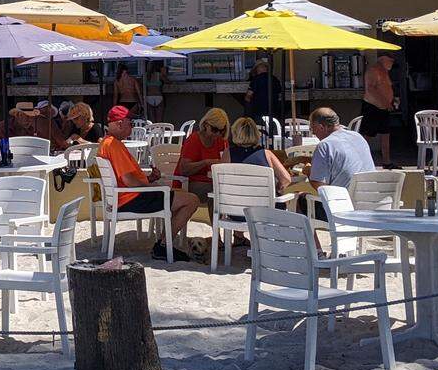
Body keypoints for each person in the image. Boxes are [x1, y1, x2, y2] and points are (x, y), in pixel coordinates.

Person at [97, 105, 199, 261]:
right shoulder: (114, 145)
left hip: (126, 197)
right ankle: (164, 246)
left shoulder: (107, 143)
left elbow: (126, 179)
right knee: (192, 200)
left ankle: (163, 244)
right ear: (120, 123)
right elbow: (129, 181)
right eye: (130, 123)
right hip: (132, 199)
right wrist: (153, 187)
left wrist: (150, 179)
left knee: (182, 196)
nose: (132, 127)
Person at [175, 108, 230, 213]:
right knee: (216, 192)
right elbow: (184, 169)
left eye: (221, 131)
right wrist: (206, 162)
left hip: (212, 181)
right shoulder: (194, 140)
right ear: (206, 125)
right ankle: (216, 227)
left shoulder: (221, 141)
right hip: (189, 183)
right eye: (214, 129)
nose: (218, 134)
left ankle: (230, 226)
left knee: (228, 191)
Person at [309, 106, 375, 192]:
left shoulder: (325, 145)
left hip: (346, 202)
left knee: (301, 196)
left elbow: (319, 184)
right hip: (372, 197)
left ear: (321, 127)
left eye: (313, 129)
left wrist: (308, 172)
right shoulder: (358, 136)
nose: (313, 133)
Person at [223, 116, 292, 194]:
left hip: (235, 203)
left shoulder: (228, 153)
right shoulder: (266, 154)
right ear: (256, 133)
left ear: (234, 133)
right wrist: (276, 189)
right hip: (263, 204)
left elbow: (222, 181)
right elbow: (286, 179)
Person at [360, 52, 398, 167]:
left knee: (386, 134)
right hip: (373, 107)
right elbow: (371, 89)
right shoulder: (373, 70)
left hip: (384, 108)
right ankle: (359, 159)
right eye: (390, 60)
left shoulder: (385, 72)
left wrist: (392, 100)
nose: (392, 62)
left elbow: (386, 88)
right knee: (367, 135)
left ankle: (386, 161)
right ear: (382, 59)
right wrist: (385, 102)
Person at [243, 58, 282, 125]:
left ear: (258, 69)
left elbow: (248, 96)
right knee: (273, 131)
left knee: (259, 131)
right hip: (273, 111)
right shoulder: (275, 79)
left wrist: (247, 113)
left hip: (259, 112)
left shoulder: (256, 80)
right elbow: (280, 95)